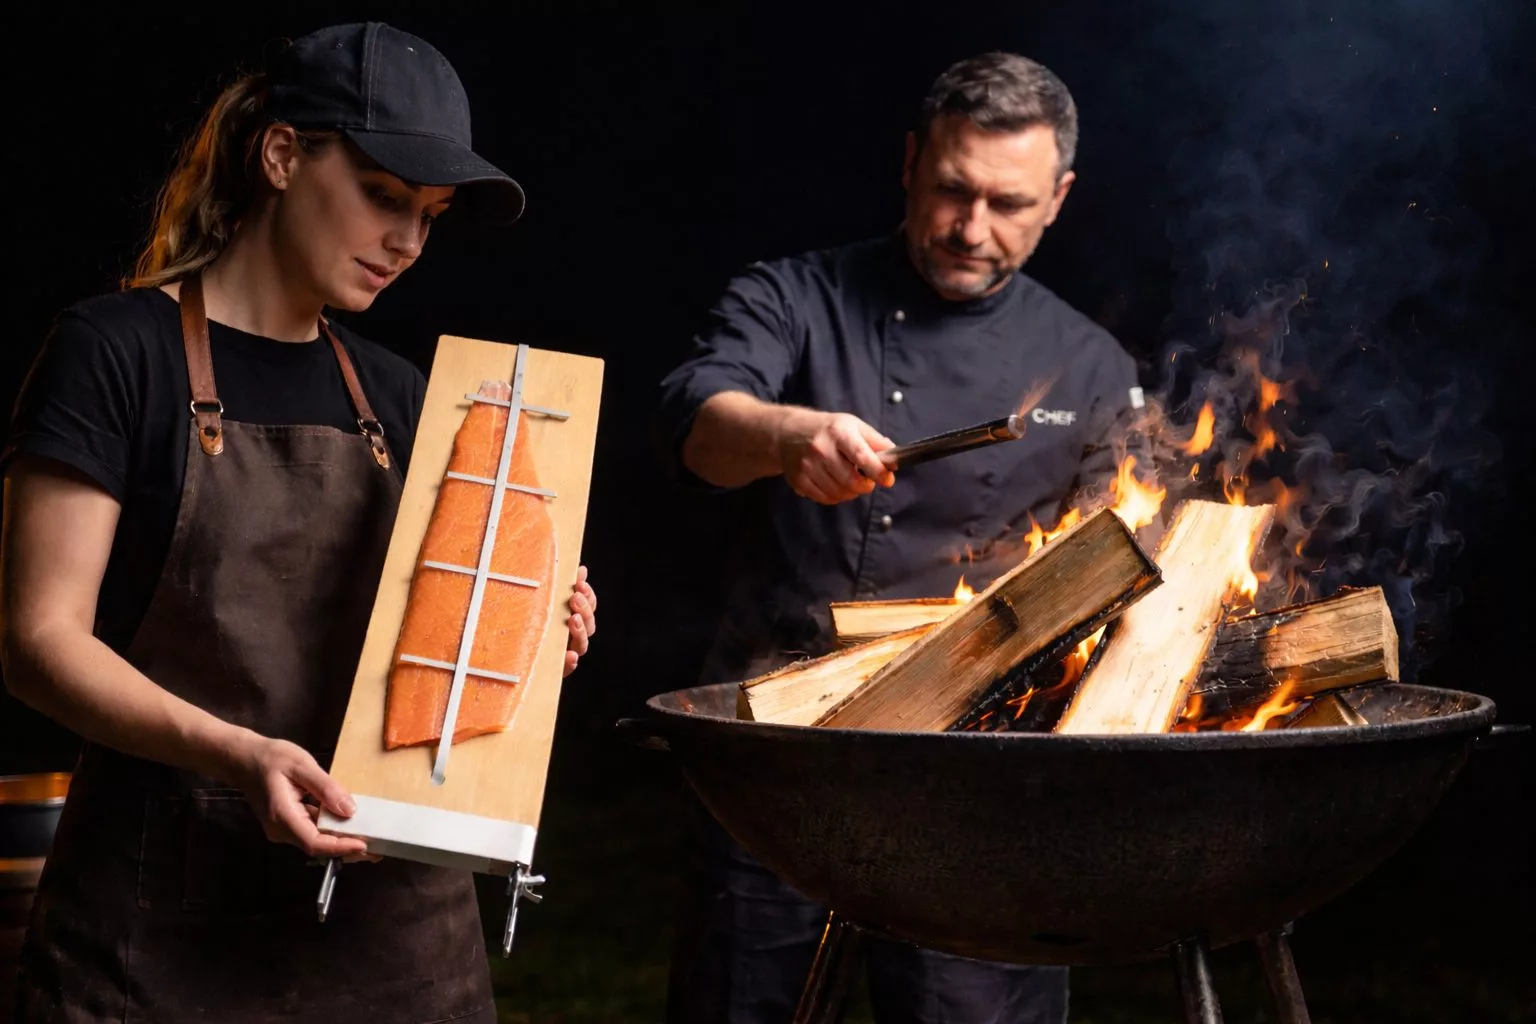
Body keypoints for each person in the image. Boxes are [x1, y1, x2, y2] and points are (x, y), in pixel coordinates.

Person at [0, 22, 597, 1023]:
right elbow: (37, 639)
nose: (409, 240)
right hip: (163, 935)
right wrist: (240, 754)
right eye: (383, 195)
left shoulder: (409, 398)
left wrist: (527, 632)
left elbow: (426, 647)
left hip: (398, 944)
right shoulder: (115, 353)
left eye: (431, 214)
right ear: (281, 154)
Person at [657, 52, 1143, 1024]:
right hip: (787, 759)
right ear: (912, 160)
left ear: (1059, 198)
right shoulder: (796, 295)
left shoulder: (1090, 364)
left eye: (1008, 204)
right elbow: (700, 423)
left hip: (976, 784)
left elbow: (1124, 568)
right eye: (953, 189)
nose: (972, 229)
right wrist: (790, 435)